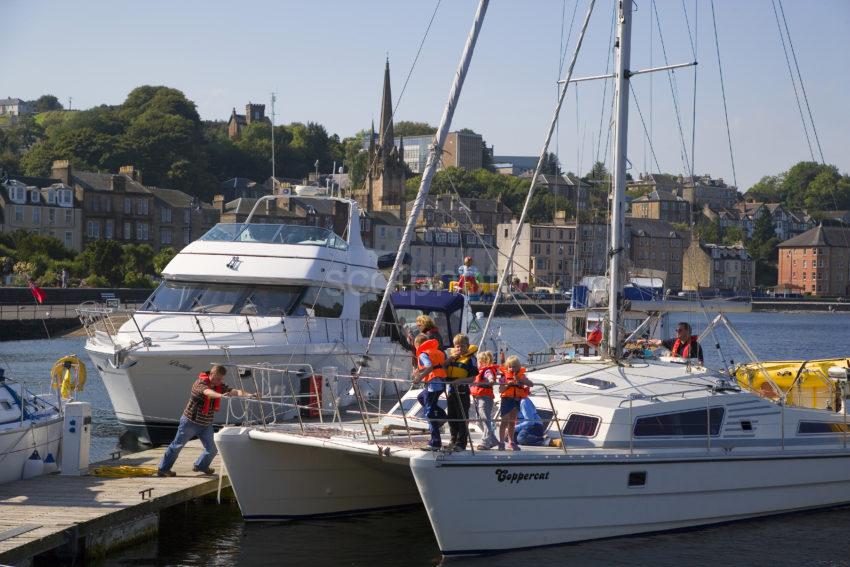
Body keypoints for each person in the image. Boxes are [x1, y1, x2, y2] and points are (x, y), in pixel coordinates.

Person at [157, 365, 245, 477]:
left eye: (221, 379)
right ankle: (163, 469)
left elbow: (234, 391)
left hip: (206, 424)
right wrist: (220, 395)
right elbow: (207, 392)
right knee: (177, 446)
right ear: (212, 374)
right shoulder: (200, 383)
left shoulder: (219, 385)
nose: (220, 381)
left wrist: (250, 395)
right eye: (218, 378)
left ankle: (201, 466)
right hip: (190, 422)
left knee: (212, 449)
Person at [412, 333, 448, 451]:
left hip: (433, 385)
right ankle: (442, 415)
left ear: (418, 345)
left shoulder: (423, 354)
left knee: (429, 413)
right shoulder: (438, 352)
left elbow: (429, 366)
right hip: (441, 383)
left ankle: (435, 442)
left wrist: (418, 378)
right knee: (421, 397)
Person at [444, 333, 478, 451]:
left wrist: (460, 380)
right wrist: (450, 358)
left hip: (462, 390)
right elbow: (443, 368)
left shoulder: (471, 359)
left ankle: (461, 443)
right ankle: (453, 439)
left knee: (462, 417)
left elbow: (473, 378)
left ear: (467, 346)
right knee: (451, 416)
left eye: (462, 346)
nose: (460, 349)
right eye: (457, 346)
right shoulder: (452, 357)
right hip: (451, 391)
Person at [498, 355, 534, 451]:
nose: (512, 368)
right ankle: (501, 442)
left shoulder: (522, 375)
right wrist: (507, 385)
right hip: (506, 400)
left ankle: (511, 442)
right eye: (510, 366)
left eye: (514, 366)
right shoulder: (503, 376)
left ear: (518, 366)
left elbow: (531, 384)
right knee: (504, 421)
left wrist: (520, 380)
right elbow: (501, 390)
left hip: (516, 400)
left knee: (512, 422)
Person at [471, 350, 500, 450]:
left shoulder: (487, 370)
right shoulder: (478, 372)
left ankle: (485, 442)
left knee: (485, 419)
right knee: (479, 421)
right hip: (478, 398)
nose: (477, 364)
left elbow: (489, 376)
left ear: (483, 362)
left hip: (485, 398)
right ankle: (494, 440)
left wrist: (491, 380)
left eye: (478, 362)